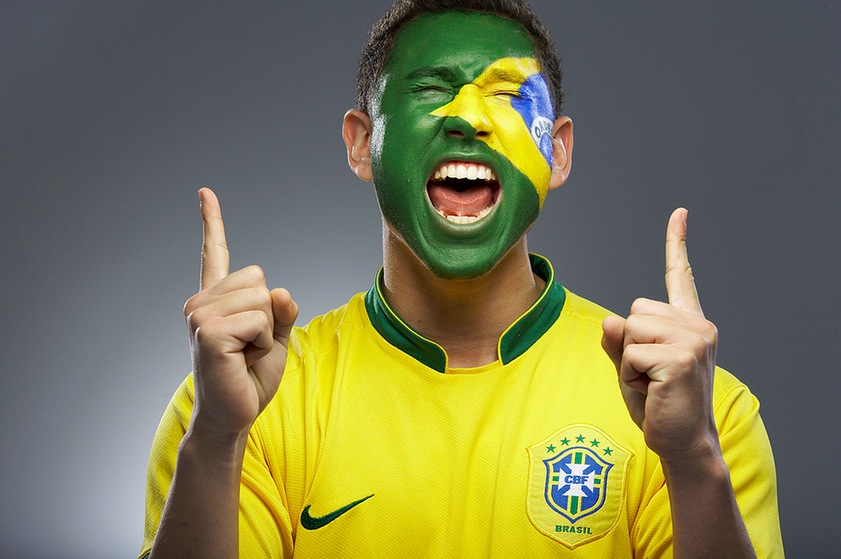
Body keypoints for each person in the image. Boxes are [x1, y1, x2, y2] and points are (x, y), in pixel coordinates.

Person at [140, 1, 783, 557]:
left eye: (506, 95)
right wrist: (219, 441)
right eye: (428, 87)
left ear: (557, 152)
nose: (468, 117)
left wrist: (693, 460)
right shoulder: (238, 404)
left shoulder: (696, 411)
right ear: (362, 144)